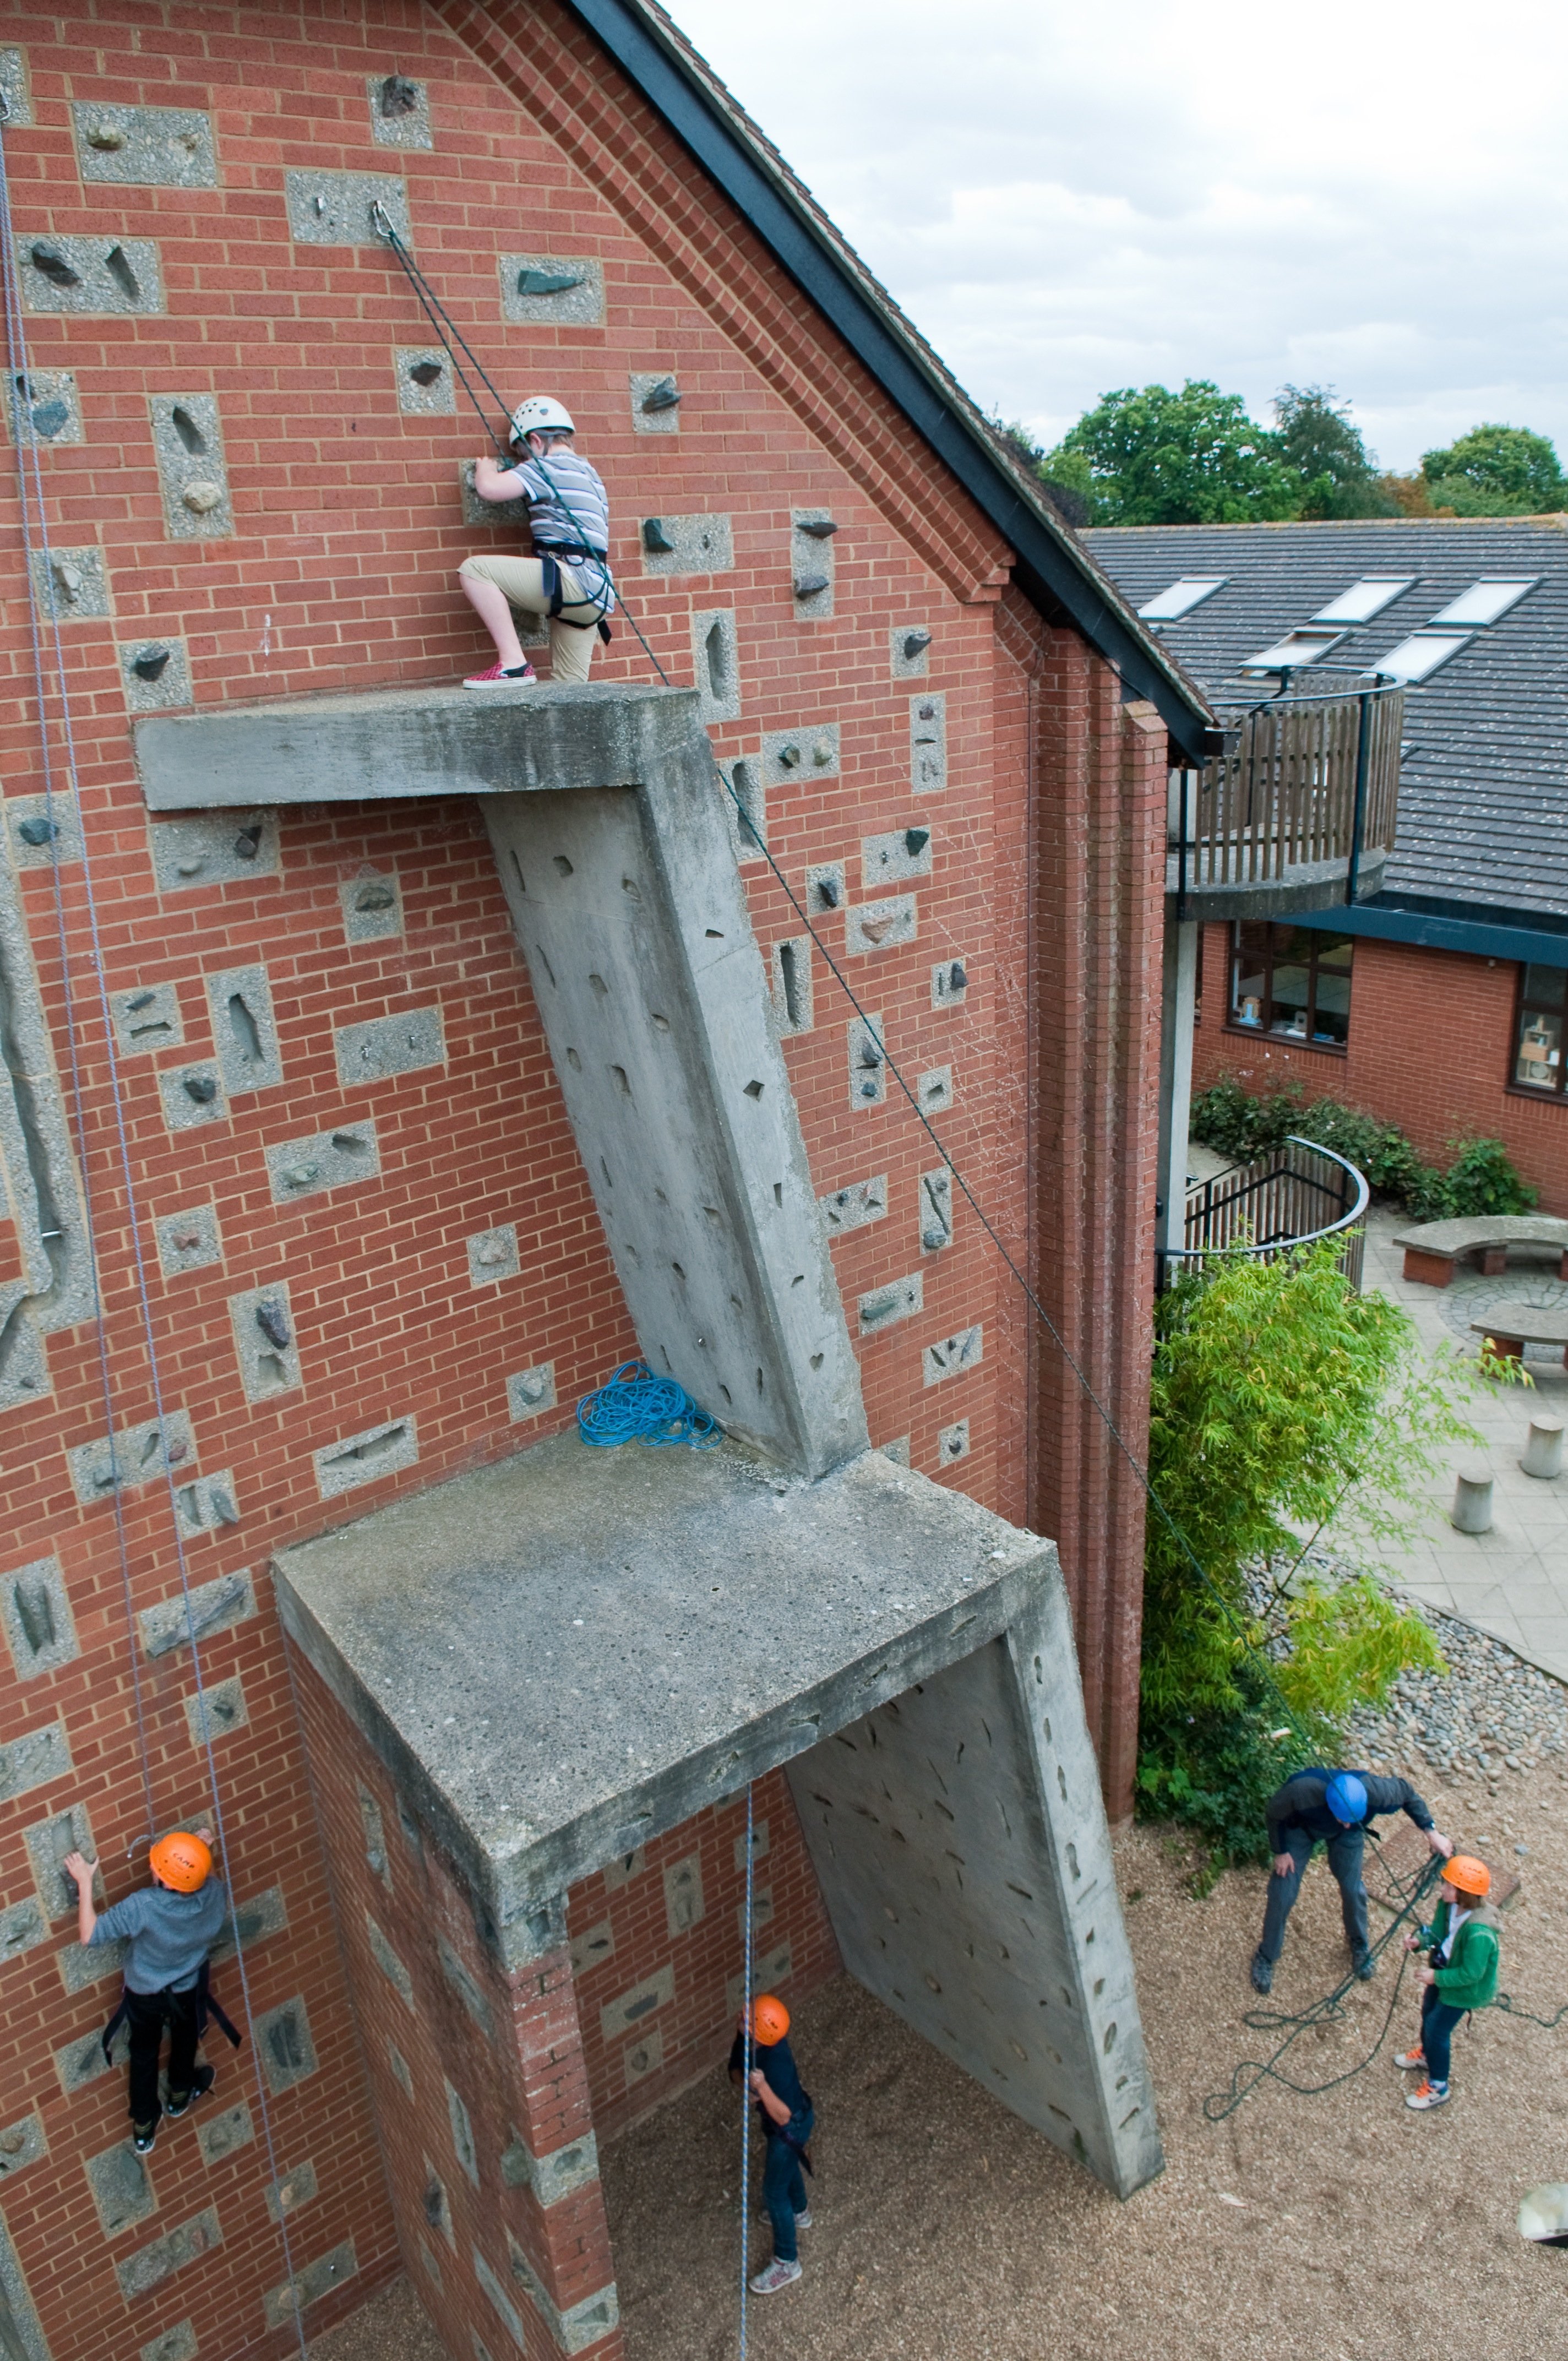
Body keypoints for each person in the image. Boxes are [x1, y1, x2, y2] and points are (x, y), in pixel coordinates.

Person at [65, 1827, 228, 2153]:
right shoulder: (214, 1894)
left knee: (144, 2055)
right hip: (185, 1986)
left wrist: (85, 1881)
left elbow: (90, 1935)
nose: (151, 1868)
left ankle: (144, 2127)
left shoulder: (144, 1907)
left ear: (167, 1881)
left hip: (145, 1994)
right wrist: (198, 1851)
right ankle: (180, 2095)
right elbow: (202, 1879)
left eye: (158, 1866)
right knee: (185, 2037)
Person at [1251, 1768, 1453, 1994]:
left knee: (1352, 1888)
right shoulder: (1302, 1790)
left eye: (1352, 1819)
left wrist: (1431, 1832)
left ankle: (1359, 1945)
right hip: (1302, 1830)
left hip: (1347, 1838)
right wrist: (1281, 1851)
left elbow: (1407, 1793)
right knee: (1282, 1891)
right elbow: (1274, 1814)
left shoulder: (1375, 1791)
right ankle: (1267, 1954)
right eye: (1343, 1819)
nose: (1347, 1823)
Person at [459, 396, 615, 689]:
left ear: (536, 440)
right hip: (597, 596)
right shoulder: (590, 473)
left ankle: (513, 663)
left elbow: (489, 489)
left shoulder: (547, 467)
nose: (524, 463)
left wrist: (486, 469)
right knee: (570, 691)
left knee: (474, 571)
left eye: (523, 455)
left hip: (570, 582)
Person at [1396, 1853, 1499, 2111]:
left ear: (1463, 1893)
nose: (1442, 1888)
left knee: (1437, 2028)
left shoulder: (1480, 1933)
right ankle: (1428, 2055)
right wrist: (1420, 1941)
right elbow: (1438, 1934)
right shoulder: (1448, 1906)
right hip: (1443, 1972)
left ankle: (1439, 2086)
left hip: (1464, 1989)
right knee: (1428, 2013)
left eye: (1448, 1885)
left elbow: (1471, 1974)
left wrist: (1437, 1977)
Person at [728, 1993, 814, 2297]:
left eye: (748, 2018)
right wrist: (749, 2090)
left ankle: (787, 2261)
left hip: (790, 2124)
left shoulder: (774, 2062)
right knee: (786, 2168)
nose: (742, 2016)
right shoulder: (748, 2041)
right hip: (780, 2122)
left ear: (759, 2032)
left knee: (774, 2192)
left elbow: (784, 2115)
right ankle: (800, 2212)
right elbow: (735, 2072)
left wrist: (762, 2088)